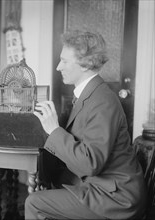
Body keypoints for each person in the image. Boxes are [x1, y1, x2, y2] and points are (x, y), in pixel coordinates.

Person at [25, 30, 147, 219]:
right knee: (50, 178)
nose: (58, 67)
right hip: (102, 185)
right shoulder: (89, 94)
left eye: (64, 61)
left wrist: (54, 130)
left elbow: (90, 164)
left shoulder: (103, 101)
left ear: (85, 64)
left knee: (35, 203)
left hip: (115, 197)